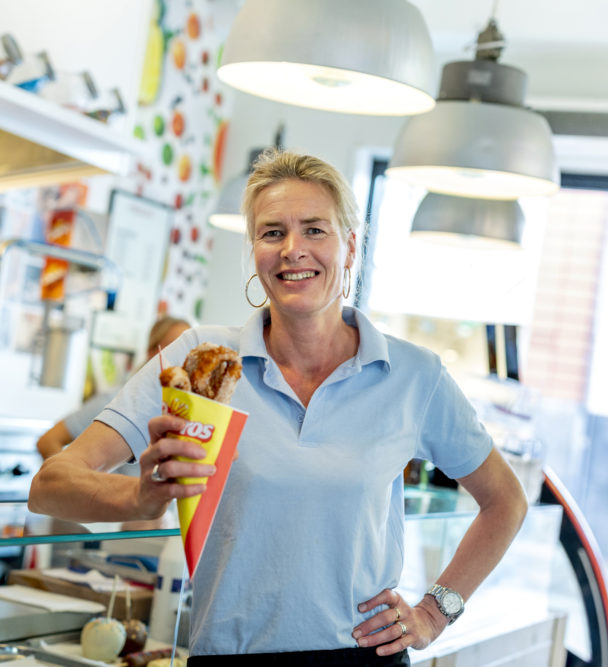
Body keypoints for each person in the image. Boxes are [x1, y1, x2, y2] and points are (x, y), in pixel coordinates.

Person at [29, 148, 528, 665]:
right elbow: (49, 487)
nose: (293, 249)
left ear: (351, 247)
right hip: (229, 656)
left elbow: (505, 502)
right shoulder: (202, 361)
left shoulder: (413, 376)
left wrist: (433, 612)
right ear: (255, 251)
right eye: (272, 233)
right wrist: (141, 497)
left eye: (315, 229)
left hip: (361, 658)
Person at [35, 315, 190, 460]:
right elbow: (48, 441)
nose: (184, 359)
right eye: (175, 349)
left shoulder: (189, 415)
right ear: (151, 352)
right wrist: (76, 484)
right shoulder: (118, 400)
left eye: (190, 351)